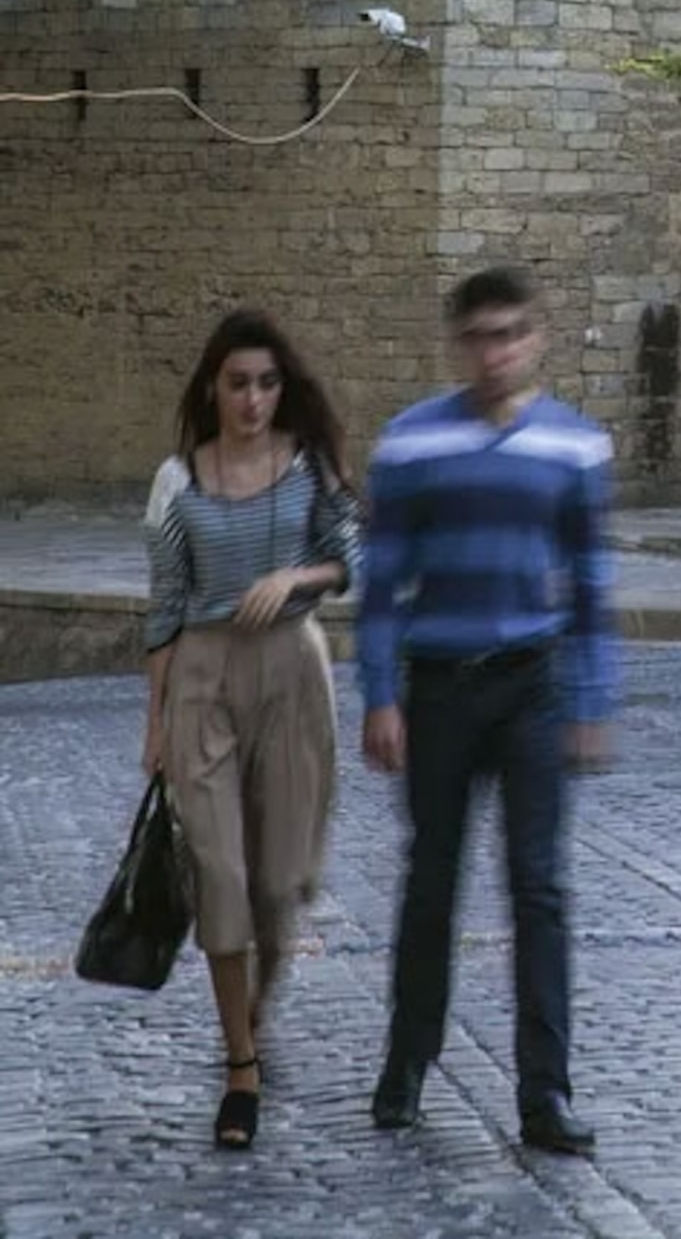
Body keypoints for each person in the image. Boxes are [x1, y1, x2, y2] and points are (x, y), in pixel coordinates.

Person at [356, 262, 617, 1158]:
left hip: (532, 683)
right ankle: (407, 1063)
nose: (496, 353)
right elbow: (382, 583)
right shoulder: (411, 445)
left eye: (511, 334)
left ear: (536, 337)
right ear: (457, 344)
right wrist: (379, 694)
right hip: (439, 683)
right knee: (433, 880)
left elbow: (590, 581)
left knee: (539, 888)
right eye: (480, 337)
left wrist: (591, 698)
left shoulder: (575, 448)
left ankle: (545, 1094)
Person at [142, 307, 357, 1151]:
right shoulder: (177, 481)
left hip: (295, 675)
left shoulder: (310, 467)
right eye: (238, 383)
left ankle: (258, 1010)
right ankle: (240, 1067)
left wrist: (297, 574)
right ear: (212, 387)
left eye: (268, 382)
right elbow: (162, 610)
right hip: (202, 676)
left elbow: (352, 556)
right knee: (221, 875)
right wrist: (153, 724)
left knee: (280, 883)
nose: (255, 399)